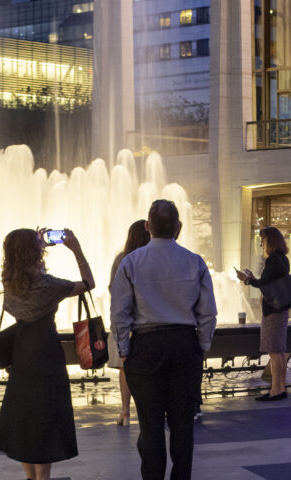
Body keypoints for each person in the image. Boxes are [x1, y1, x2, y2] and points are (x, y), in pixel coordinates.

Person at [111, 198, 218, 480]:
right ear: (179, 227)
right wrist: (202, 346)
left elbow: (119, 312)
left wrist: (124, 349)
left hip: (145, 346)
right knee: (183, 425)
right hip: (185, 344)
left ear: (148, 227)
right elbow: (208, 312)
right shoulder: (195, 262)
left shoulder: (131, 262)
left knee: (150, 424)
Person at [0, 226, 96, 480]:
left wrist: (36, 246)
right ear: (33, 253)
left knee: (25, 419)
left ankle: (31, 477)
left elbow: (29, 272)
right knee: (46, 420)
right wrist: (76, 249)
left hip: (21, 354)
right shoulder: (48, 285)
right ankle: (42, 478)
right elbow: (89, 283)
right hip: (46, 354)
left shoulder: (9, 280)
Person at [234, 226, 291, 401]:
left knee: (274, 352)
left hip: (272, 311)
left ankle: (275, 390)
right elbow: (267, 282)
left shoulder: (273, 260)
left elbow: (264, 284)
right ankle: (280, 388)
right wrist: (252, 278)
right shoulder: (283, 259)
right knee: (279, 351)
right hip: (280, 309)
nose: (261, 244)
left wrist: (247, 279)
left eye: (263, 241)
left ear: (270, 241)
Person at [108, 220, 151, 427]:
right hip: (147, 323)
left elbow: (112, 288)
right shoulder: (151, 259)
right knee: (148, 371)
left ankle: (125, 412)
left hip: (124, 322)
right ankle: (149, 411)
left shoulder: (121, 259)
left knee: (125, 370)